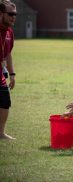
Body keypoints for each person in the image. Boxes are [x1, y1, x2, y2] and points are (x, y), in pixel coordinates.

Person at [0, 0, 17, 139]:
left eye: (15, 14)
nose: (13, 17)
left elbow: (8, 54)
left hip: (1, 73)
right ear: (1, 13)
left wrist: (12, 74)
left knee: (5, 101)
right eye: (10, 14)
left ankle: (1, 133)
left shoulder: (9, 32)